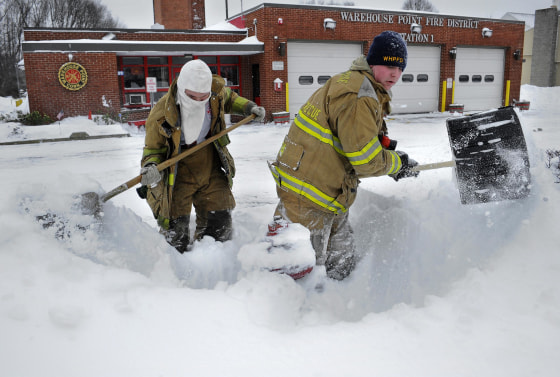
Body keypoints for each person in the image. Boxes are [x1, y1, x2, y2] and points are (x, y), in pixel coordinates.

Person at [267, 31, 419, 280]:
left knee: (341, 262)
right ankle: (291, 314)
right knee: (295, 270)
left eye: (400, 67)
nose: (395, 73)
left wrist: (388, 154)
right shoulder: (359, 95)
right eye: (389, 64)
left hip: (329, 192)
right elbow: (366, 161)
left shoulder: (361, 86)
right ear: (372, 63)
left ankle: (337, 302)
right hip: (308, 195)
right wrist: (396, 164)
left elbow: (355, 142)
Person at [139, 59, 266, 253]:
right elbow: (153, 149)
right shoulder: (161, 113)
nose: (198, 101)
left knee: (219, 221)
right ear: (182, 88)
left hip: (210, 162)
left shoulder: (215, 93)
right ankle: (176, 271)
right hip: (178, 170)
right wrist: (150, 165)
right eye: (192, 97)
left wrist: (248, 107)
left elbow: (230, 98)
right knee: (176, 231)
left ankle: (215, 262)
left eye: (203, 97)